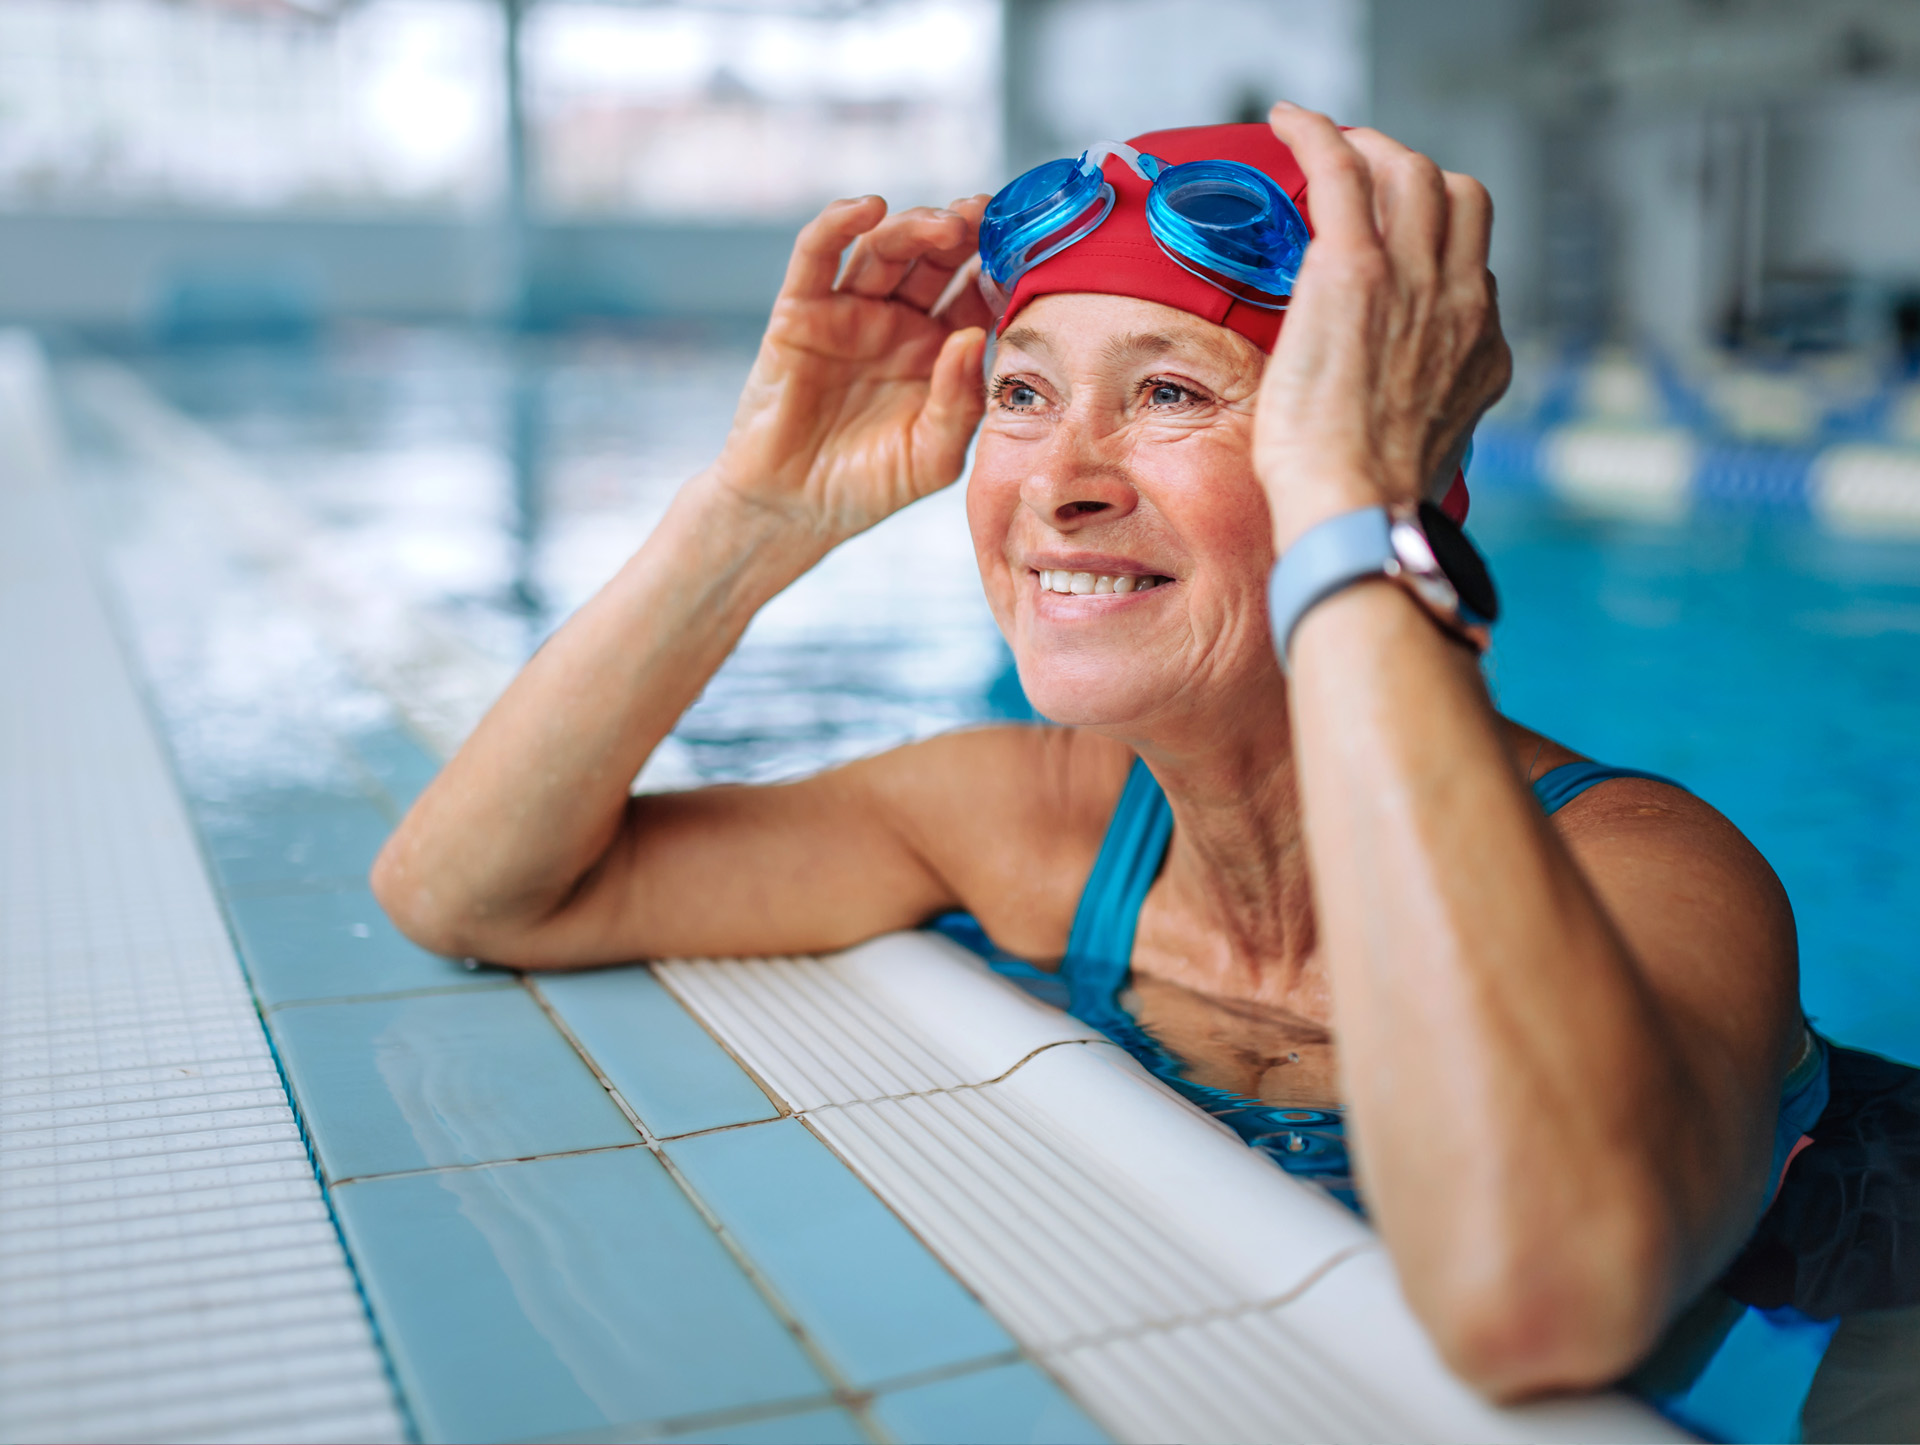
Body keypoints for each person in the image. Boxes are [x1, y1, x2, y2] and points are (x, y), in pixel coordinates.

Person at [371, 107, 1816, 1401]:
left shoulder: (1647, 874)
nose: (1060, 485)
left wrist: (1356, 522)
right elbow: (480, 891)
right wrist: (759, 511)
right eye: (1025, 392)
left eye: (1174, 393)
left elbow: (1538, 1296)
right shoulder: (1027, 822)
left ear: (1389, 470)